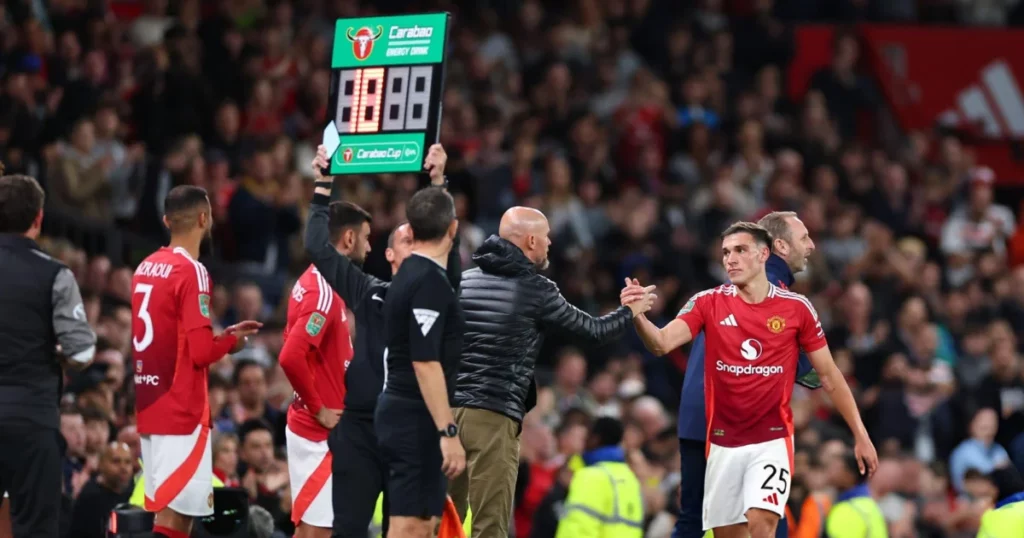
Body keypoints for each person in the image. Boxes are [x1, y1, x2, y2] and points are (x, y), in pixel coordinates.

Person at [627, 222, 878, 538]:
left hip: (770, 440)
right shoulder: (707, 301)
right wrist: (637, 316)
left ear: (763, 254)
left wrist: (860, 433)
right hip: (722, 443)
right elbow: (662, 343)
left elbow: (829, 376)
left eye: (740, 250)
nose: (730, 259)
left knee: (763, 523)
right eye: (726, 252)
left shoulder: (797, 308)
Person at [450, 206, 653, 538]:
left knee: (445, 519)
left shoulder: (461, 281)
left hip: (446, 413)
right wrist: (629, 311)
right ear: (531, 240)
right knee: (490, 524)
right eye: (546, 238)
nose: (549, 245)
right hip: (493, 414)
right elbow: (593, 331)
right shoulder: (537, 289)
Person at [305, 143, 453, 538]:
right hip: (359, 430)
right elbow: (319, 246)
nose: (419, 245)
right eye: (408, 240)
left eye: (422, 239)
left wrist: (438, 181)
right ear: (389, 255)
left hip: (410, 429)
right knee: (350, 529)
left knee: (404, 530)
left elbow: (445, 248)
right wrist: (323, 183)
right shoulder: (369, 291)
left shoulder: (437, 291)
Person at [674, 210, 821, 538]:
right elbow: (809, 373)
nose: (811, 246)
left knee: (694, 520)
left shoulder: (727, 287)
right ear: (780, 246)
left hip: (696, 417)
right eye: (804, 238)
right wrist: (820, 371)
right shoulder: (773, 292)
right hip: (739, 423)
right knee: (769, 516)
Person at [131, 185, 262, 538]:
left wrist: (223, 335)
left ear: (166, 220)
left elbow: (182, 340)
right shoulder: (193, 271)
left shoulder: (146, 266)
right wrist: (232, 343)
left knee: (168, 518)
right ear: (205, 219)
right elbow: (202, 352)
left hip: (150, 403)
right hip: (181, 408)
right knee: (176, 521)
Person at [0, 168, 97, 538]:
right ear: (38, 218)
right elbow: (82, 351)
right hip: (31, 419)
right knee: (35, 529)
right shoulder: (55, 274)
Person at [376, 185, 465, 538]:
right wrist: (448, 432)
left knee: (426, 525)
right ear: (453, 229)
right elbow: (425, 362)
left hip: (410, 414)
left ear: (410, 232)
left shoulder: (419, 276)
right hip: (414, 416)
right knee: (410, 527)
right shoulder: (427, 283)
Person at [278, 201, 361, 538]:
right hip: (318, 432)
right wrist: (320, 410)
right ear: (350, 238)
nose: (370, 246)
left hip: (317, 429)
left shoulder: (317, 282)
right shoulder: (323, 290)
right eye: (367, 238)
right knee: (318, 532)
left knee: (311, 529)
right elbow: (290, 357)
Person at [555, 417, 644, 538]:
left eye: (587, 437)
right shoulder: (630, 478)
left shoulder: (591, 475)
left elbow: (578, 526)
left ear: (595, 439)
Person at [68, 441, 134, 538]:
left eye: (128, 462)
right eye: (116, 461)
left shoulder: (134, 492)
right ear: (101, 464)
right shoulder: (90, 498)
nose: (123, 467)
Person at [822, 449, 887, 538]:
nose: (830, 471)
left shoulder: (848, 509)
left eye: (836, 468)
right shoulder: (868, 504)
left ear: (850, 475)